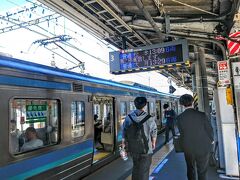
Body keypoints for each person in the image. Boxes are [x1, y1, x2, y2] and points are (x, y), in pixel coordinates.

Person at [176, 94, 214, 180]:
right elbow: (209, 130)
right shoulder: (202, 115)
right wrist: (211, 140)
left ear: (182, 104)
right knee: (202, 170)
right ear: (193, 102)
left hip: (188, 148)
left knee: (190, 169)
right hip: (203, 146)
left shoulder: (179, 118)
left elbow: (182, 133)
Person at [122, 97, 157, 180]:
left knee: (136, 168)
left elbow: (124, 132)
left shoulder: (128, 117)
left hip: (133, 148)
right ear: (145, 105)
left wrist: (124, 146)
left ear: (135, 104)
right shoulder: (150, 118)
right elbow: (154, 132)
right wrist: (153, 143)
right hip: (146, 149)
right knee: (144, 171)